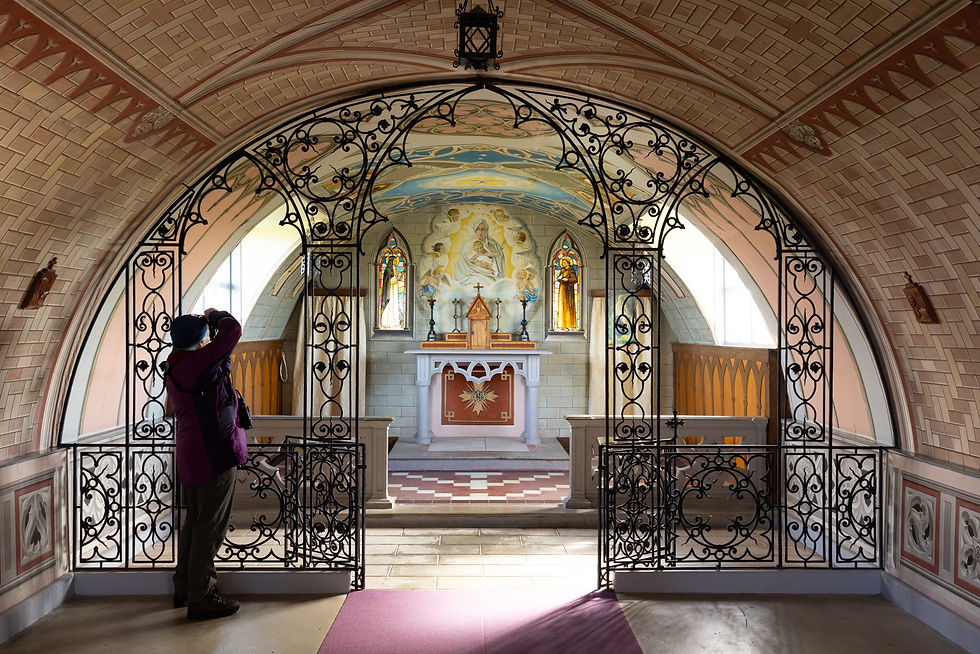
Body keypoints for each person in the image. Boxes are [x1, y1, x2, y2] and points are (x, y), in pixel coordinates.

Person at [165, 308, 248, 620]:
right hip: (214, 453)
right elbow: (233, 331)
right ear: (199, 342)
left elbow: (221, 361)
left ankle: (185, 586)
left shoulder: (179, 363)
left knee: (195, 522)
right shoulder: (197, 364)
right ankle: (203, 595)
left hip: (192, 453)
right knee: (209, 526)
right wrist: (216, 316)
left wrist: (210, 334)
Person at [555, 257, 578, 330]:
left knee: (569, 306)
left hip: (569, 290)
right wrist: (560, 279)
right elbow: (559, 277)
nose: (562, 264)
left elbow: (575, 279)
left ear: (568, 263)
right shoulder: (562, 270)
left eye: (564, 262)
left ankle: (570, 325)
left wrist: (567, 279)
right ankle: (562, 325)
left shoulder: (571, 270)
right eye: (562, 263)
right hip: (562, 289)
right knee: (562, 305)